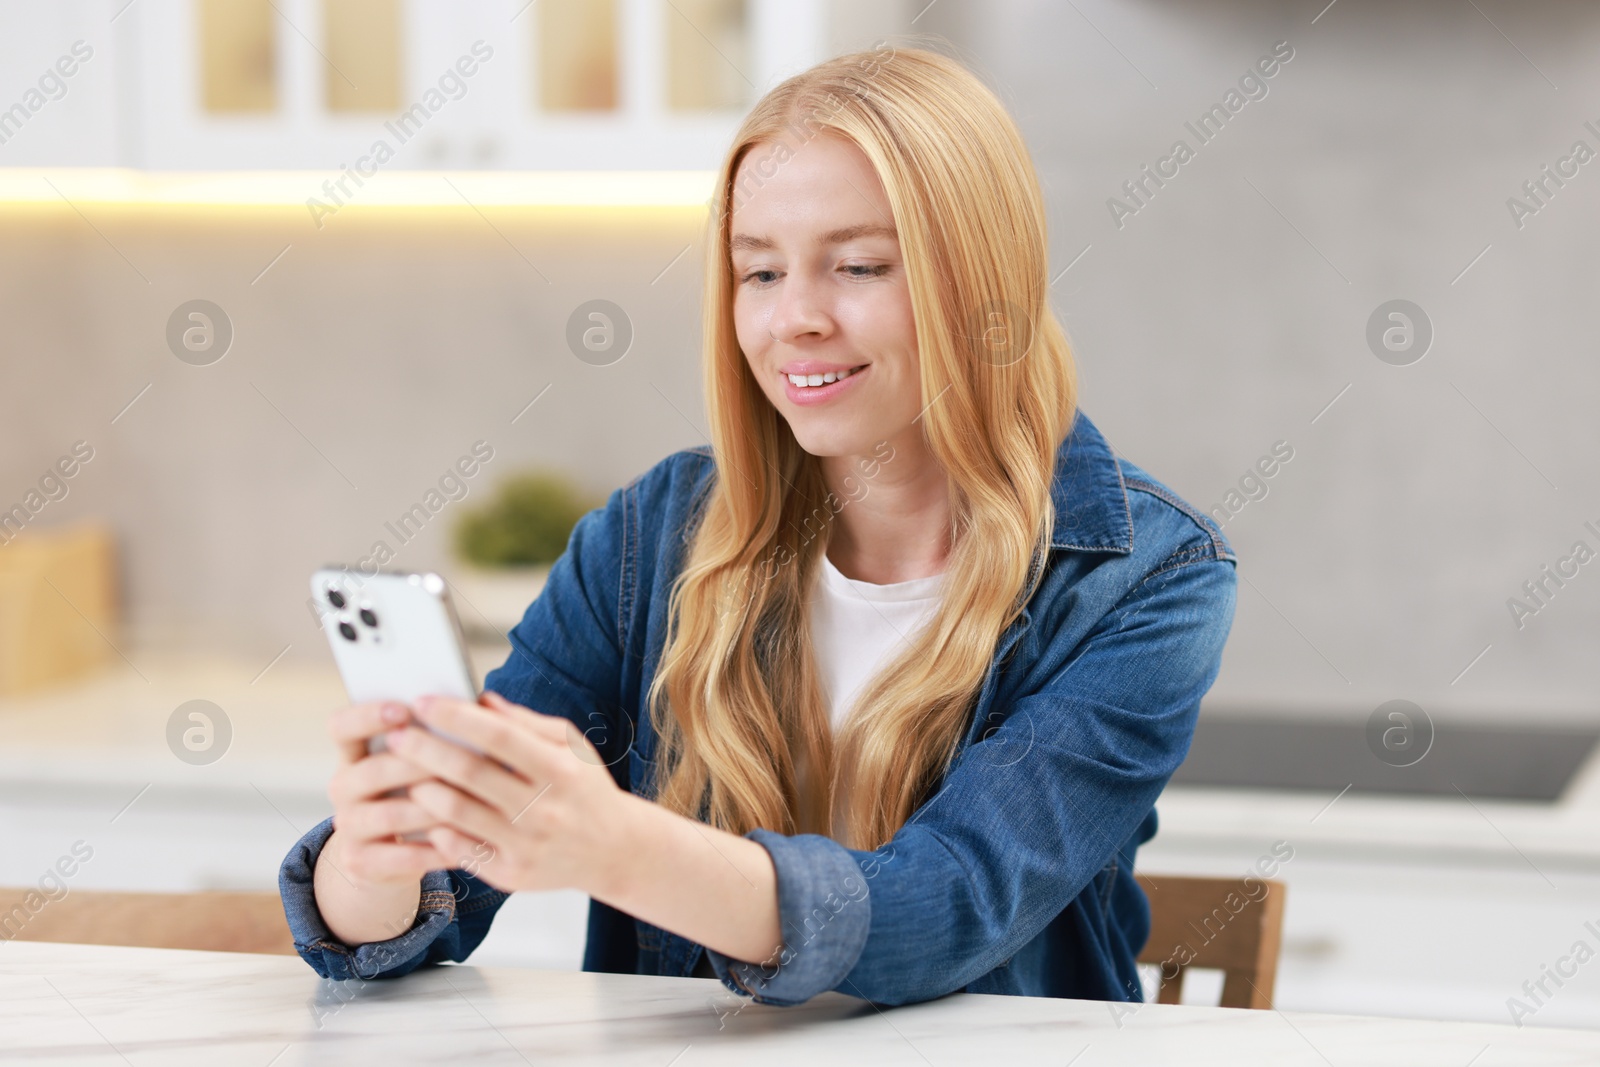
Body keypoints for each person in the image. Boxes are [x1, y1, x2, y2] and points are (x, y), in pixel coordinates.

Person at [279, 44, 1237, 1009]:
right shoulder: (647, 540)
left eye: (859, 265)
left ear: (986, 286)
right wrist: (380, 860)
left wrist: (612, 843)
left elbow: (949, 906)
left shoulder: (1150, 576)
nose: (796, 320)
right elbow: (430, 908)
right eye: (760, 272)